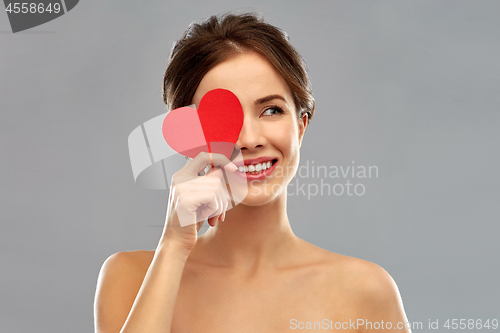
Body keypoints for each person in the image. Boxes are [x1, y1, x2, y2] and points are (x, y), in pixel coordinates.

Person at [94, 13, 411, 333]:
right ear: (189, 137)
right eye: (220, 115)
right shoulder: (129, 278)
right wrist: (173, 246)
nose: (249, 140)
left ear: (301, 126)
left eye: (271, 110)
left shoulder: (365, 291)